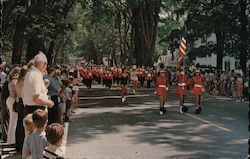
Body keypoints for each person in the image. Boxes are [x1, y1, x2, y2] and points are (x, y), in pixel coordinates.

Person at [23, 51, 54, 117]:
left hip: (31, 109)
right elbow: (36, 98)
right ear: (44, 64)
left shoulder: (30, 73)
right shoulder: (36, 75)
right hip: (36, 110)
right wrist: (49, 102)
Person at [15, 65, 28, 152]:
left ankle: (18, 144)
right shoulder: (23, 82)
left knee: (19, 123)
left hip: (19, 101)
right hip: (23, 101)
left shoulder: (18, 81)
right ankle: (21, 145)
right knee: (22, 124)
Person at [6, 67, 20, 144]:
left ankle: (10, 139)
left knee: (12, 120)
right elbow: (16, 91)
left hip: (10, 99)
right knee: (14, 121)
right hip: (13, 100)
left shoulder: (10, 81)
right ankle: (12, 140)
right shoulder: (15, 81)